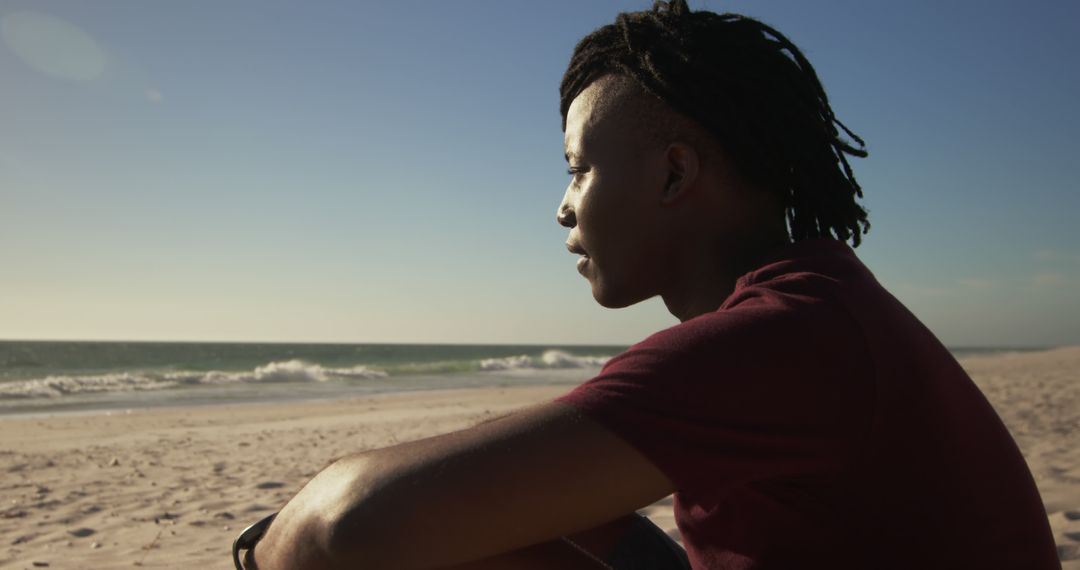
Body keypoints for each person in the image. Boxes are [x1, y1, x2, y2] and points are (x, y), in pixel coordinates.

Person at [241, 1, 1061, 568]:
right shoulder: (820, 304)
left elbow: (340, 529)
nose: (562, 208)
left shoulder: (778, 338)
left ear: (674, 174)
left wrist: (263, 550)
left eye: (578, 169)